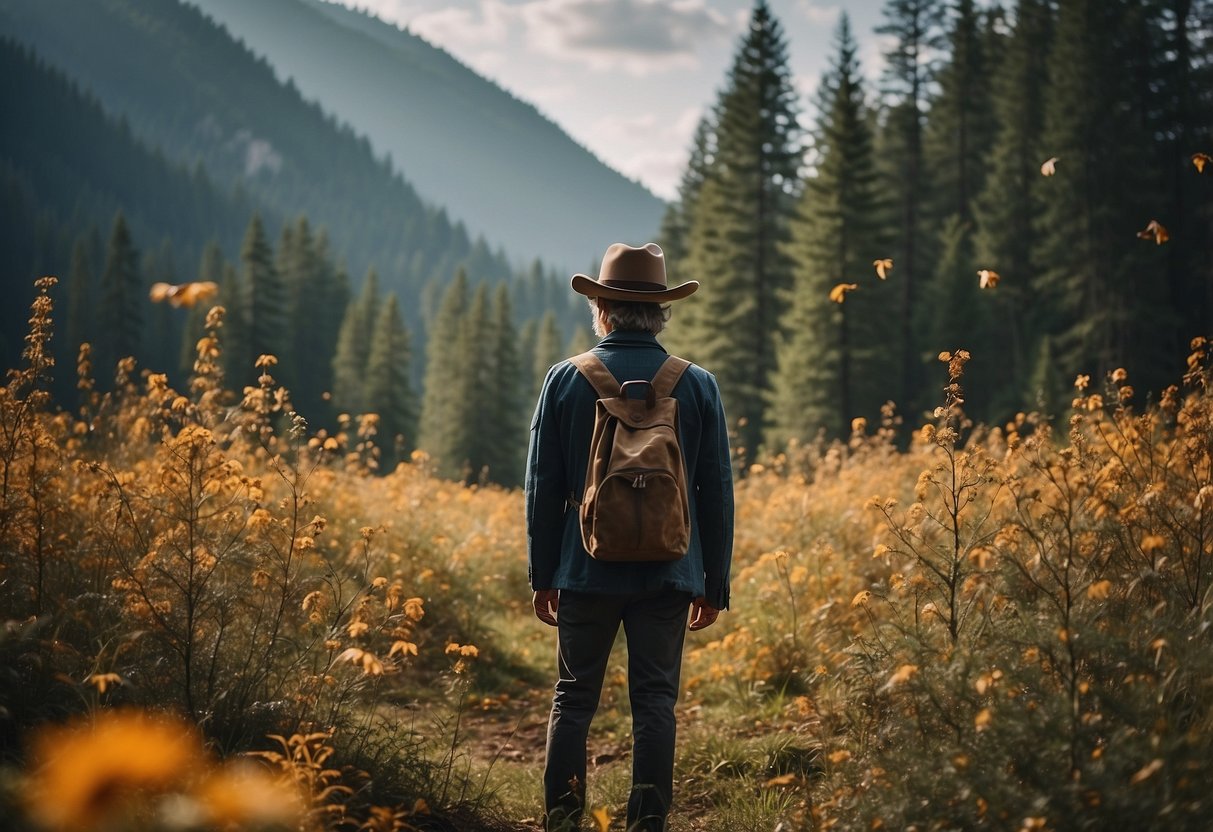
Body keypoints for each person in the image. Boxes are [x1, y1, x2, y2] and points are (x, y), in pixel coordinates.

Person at [525, 242, 734, 831]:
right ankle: (647, 822)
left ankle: (564, 819)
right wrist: (712, 583)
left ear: (603, 311)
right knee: (654, 703)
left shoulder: (565, 380)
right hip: (669, 571)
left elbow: (542, 489)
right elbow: (716, 493)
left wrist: (544, 575)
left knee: (574, 698)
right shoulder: (697, 386)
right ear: (661, 313)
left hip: (584, 570)